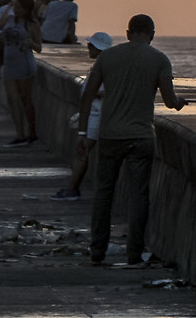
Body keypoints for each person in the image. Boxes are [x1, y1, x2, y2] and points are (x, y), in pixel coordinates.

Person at [77, 14, 186, 267]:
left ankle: (97, 251)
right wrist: (180, 104)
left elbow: (87, 96)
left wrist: (83, 134)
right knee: (138, 196)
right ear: (152, 34)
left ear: (127, 34)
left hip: (110, 136)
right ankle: (134, 254)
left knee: (104, 193)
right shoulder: (159, 59)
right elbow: (170, 101)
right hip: (141, 137)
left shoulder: (107, 57)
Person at [53, 32, 109, 200]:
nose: (88, 48)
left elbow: (110, 89)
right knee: (82, 152)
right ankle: (73, 188)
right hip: (93, 113)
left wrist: (94, 94)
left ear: (98, 48)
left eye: (91, 46)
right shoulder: (100, 65)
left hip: (96, 115)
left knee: (82, 151)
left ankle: (72, 189)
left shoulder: (104, 66)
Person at [0, 0, 39, 145]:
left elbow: (39, 47)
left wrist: (30, 43)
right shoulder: (9, 20)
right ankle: (20, 134)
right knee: (12, 100)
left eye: (20, 8)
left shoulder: (32, 24)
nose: (17, 10)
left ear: (27, 9)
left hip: (24, 64)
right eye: (15, 7)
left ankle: (32, 132)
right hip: (9, 64)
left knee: (25, 99)